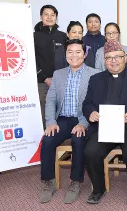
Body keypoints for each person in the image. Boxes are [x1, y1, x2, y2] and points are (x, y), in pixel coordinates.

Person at [82, 40, 127, 205]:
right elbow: (87, 104)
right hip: (104, 129)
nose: (113, 61)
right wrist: (90, 112)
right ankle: (98, 189)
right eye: (109, 58)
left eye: (118, 57)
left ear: (125, 58)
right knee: (90, 151)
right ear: (104, 61)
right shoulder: (95, 79)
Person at [40, 39, 99, 204]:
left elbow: (96, 104)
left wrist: (84, 123)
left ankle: (75, 182)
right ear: (66, 55)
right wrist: (51, 121)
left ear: (84, 54)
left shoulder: (94, 74)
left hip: (83, 119)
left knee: (78, 139)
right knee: (48, 139)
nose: (74, 55)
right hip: (63, 119)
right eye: (70, 52)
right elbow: (51, 100)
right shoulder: (58, 74)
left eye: (78, 52)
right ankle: (48, 182)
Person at [34, 4, 68, 127]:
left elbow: (68, 58)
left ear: (56, 17)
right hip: (42, 82)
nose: (49, 17)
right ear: (41, 16)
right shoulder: (33, 36)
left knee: (61, 109)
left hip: (60, 81)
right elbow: (31, 61)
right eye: (46, 14)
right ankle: (44, 139)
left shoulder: (63, 36)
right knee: (43, 112)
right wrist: (45, 78)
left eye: (52, 15)